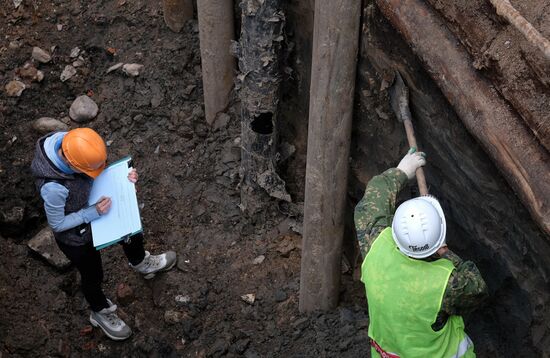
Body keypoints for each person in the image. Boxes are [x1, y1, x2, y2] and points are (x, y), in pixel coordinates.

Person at [31, 128, 177, 341]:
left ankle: (141, 263)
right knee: (93, 274)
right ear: (73, 166)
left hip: (96, 206)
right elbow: (57, 223)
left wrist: (123, 182)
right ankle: (100, 311)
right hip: (77, 236)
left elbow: (97, 172)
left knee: (130, 231)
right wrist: (92, 213)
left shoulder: (72, 142)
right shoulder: (53, 188)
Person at [354, 148, 488, 358]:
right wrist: (446, 253)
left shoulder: (376, 246)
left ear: (395, 231)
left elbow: (371, 203)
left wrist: (401, 171)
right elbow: (477, 289)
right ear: (439, 240)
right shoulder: (446, 285)